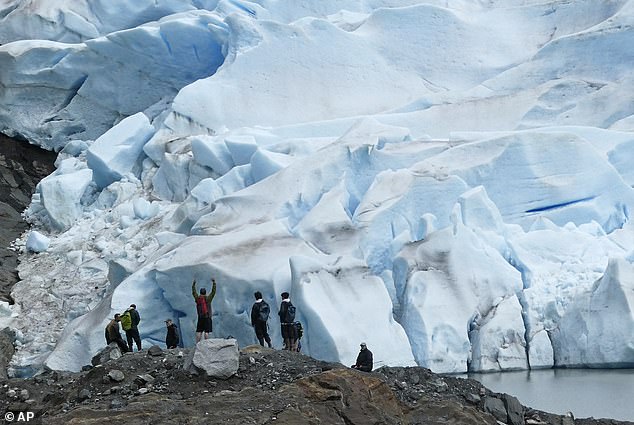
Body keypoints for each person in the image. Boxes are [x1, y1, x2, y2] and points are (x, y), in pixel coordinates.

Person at [192, 278, 217, 342]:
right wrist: (214, 283)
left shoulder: (197, 299)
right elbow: (213, 292)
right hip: (207, 317)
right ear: (205, 293)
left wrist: (193, 284)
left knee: (199, 331)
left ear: (200, 292)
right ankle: (206, 343)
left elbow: (194, 293)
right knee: (206, 331)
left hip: (200, 317)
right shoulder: (208, 299)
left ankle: (198, 344)